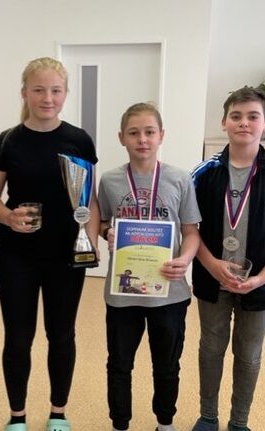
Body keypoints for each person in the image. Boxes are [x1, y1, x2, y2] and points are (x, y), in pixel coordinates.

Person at [0, 57, 100, 431]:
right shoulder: (6, 142)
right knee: (18, 338)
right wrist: (8, 217)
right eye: (38, 90)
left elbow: (88, 198)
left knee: (61, 335)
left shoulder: (79, 139)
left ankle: (57, 413)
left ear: (65, 94)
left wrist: (90, 240)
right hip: (17, 256)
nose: (47, 98)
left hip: (65, 255)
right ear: (24, 93)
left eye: (55, 90)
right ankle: (17, 417)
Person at [190, 87, 265, 431]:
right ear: (224, 122)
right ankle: (208, 416)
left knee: (249, 354)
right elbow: (189, 228)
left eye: (253, 116)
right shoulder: (202, 173)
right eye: (236, 116)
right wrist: (212, 264)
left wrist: (261, 278)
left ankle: (239, 422)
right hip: (212, 278)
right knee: (210, 348)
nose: (244, 122)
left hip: (261, 283)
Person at [98, 102, 201, 431]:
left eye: (149, 132)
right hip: (123, 293)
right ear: (121, 138)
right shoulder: (109, 180)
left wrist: (185, 259)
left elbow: (191, 232)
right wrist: (107, 232)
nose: (142, 139)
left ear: (161, 136)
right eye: (134, 133)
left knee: (167, 365)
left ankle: (165, 422)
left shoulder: (179, 179)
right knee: (119, 364)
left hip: (169, 292)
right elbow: (102, 222)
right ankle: (120, 424)